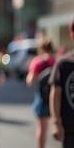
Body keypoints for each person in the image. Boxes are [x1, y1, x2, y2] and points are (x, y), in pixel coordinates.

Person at [26, 37, 55, 148]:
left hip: (42, 98)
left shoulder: (37, 61)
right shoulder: (56, 61)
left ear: (41, 48)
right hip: (55, 99)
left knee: (42, 129)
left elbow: (30, 81)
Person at [49, 20, 74, 148]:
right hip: (70, 129)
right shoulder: (63, 63)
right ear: (72, 34)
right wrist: (55, 123)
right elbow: (55, 93)